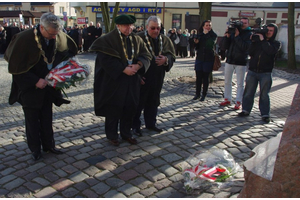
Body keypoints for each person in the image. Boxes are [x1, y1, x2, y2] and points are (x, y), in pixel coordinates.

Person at [4, 12, 78, 161]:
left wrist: (61, 72)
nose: (53, 37)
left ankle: (49, 145)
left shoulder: (56, 36)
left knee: (47, 117)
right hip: (30, 88)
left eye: (56, 34)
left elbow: (66, 54)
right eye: (51, 34)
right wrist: (35, 81)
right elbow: (16, 68)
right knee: (32, 120)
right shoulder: (23, 39)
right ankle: (35, 149)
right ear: (42, 28)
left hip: (49, 87)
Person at [90, 14, 151, 146]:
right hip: (114, 81)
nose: (128, 28)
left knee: (130, 107)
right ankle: (112, 135)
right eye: (125, 25)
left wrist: (138, 65)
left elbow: (146, 55)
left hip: (132, 80)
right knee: (113, 108)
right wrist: (123, 69)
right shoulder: (108, 39)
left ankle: (126, 133)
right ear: (118, 25)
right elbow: (105, 59)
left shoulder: (137, 39)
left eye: (130, 25)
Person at [132, 16, 176, 136]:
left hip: (157, 77)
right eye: (152, 28)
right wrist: (137, 76)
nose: (156, 30)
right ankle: (135, 126)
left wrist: (166, 60)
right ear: (147, 27)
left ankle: (151, 124)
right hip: (143, 78)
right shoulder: (138, 38)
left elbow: (172, 55)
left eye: (158, 28)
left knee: (153, 102)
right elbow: (132, 59)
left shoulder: (165, 40)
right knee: (138, 103)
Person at [238, 24, 281, 123]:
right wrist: (253, 41)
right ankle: (245, 110)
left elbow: (270, 51)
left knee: (264, 94)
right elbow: (250, 52)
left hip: (265, 72)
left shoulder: (276, 43)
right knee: (248, 92)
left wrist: (263, 41)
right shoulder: (258, 41)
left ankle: (265, 114)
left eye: (271, 31)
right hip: (253, 71)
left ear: (274, 32)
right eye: (267, 30)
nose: (269, 32)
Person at [219, 17, 252, 110]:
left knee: (240, 83)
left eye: (245, 23)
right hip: (230, 60)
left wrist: (237, 37)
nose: (243, 24)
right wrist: (227, 37)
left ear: (248, 24)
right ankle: (227, 98)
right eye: (242, 22)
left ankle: (238, 101)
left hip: (241, 61)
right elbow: (224, 46)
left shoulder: (249, 34)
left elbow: (245, 47)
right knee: (227, 81)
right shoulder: (233, 32)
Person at [192, 20, 217, 101]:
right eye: (206, 25)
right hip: (199, 58)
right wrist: (196, 42)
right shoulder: (200, 35)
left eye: (209, 25)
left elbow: (211, 44)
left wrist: (207, 35)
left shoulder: (213, 35)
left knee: (205, 78)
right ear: (203, 26)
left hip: (208, 59)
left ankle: (204, 94)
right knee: (198, 77)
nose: (208, 27)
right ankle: (197, 94)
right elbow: (196, 47)